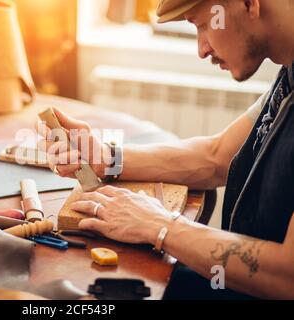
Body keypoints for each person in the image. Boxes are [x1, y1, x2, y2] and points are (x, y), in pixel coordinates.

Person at [37, 0, 294, 299]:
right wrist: (106, 160)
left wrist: (160, 226)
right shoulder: (288, 68)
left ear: (248, 3)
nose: (202, 50)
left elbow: (288, 274)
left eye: (202, 25)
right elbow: (217, 156)